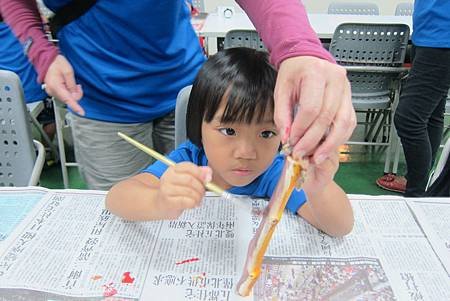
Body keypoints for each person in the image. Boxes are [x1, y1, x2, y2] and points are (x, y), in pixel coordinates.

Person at [1, 0, 355, 191]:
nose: (247, 151)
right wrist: (41, 54)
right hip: (98, 98)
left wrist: (299, 47)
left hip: (183, 90)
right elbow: (121, 204)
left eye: (266, 133)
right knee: (130, 202)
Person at [106, 48, 354, 236]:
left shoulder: (275, 171)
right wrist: (158, 202)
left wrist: (318, 189)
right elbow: (116, 198)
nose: (246, 152)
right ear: (198, 125)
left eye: (266, 133)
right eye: (228, 130)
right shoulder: (189, 160)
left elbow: (340, 227)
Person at [376, 0, 450, 196]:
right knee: (431, 114)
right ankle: (418, 182)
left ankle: (416, 194)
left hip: (442, 38)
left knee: (408, 119)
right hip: (428, 33)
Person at [0, 13, 56, 145]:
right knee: (52, 118)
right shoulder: (27, 25)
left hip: (4, 99)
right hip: (34, 96)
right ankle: (48, 150)